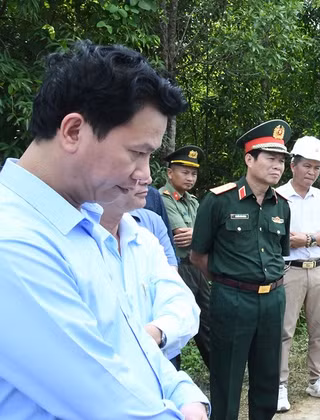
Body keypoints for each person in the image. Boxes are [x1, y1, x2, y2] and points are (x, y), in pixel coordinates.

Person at [0, 40, 209, 419]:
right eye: (137, 152)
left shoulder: (83, 230)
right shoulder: (14, 243)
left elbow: (130, 343)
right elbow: (108, 406)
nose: (145, 175)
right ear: (74, 130)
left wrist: (185, 393)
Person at [191, 120, 292, 420]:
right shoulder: (219, 200)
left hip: (273, 300)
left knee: (267, 376)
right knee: (227, 376)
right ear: (249, 158)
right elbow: (198, 256)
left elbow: (280, 254)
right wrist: (230, 282)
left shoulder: (281, 206)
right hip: (232, 300)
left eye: (282, 160)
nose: (278, 166)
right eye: (271, 158)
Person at [99, 182, 200, 365]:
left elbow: (181, 300)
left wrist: (157, 332)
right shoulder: (72, 241)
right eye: (134, 155)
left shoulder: (145, 234)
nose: (147, 177)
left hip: (159, 353)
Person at [275, 136, 320, 412]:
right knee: (284, 331)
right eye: (307, 166)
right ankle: (279, 386)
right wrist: (311, 239)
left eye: (316, 168)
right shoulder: (277, 196)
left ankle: (317, 380)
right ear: (293, 165)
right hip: (289, 271)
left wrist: (309, 239)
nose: (312, 172)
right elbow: (279, 237)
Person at [160, 144, 211, 368]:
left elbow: (205, 235)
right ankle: (172, 372)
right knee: (177, 321)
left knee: (209, 321)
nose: (190, 178)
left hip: (198, 267)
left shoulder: (193, 201)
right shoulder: (163, 198)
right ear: (170, 173)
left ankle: (218, 370)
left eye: (194, 173)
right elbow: (181, 235)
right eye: (185, 172)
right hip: (177, 268)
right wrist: (203, 233)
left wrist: (200, 234)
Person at [144, 184, 176, 249]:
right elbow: (180, 230)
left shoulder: (152, 195)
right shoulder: (163, 195)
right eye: (185, 173)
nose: (190, 179)